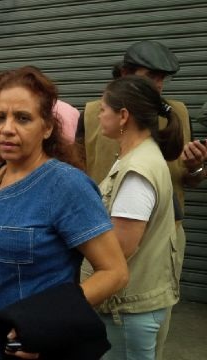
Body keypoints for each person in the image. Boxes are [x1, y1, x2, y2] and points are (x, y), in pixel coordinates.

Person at [0, 66, 128, 359]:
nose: (8, 128)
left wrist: (47, 324)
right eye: (0, 117)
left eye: (23, 118)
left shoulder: (66, 184)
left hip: (39, 349)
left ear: (47, 127)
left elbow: (114, 272)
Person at [77, 40, 205, 358]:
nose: (158, 85)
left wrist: (197, 167)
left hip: (161, 234)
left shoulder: (174, 114)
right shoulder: (93, 113)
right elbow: (78, 172)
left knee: (142, 319)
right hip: (103, 229)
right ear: (124, 74)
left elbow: (186, 180)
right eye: (152, 76)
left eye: (163, 78)